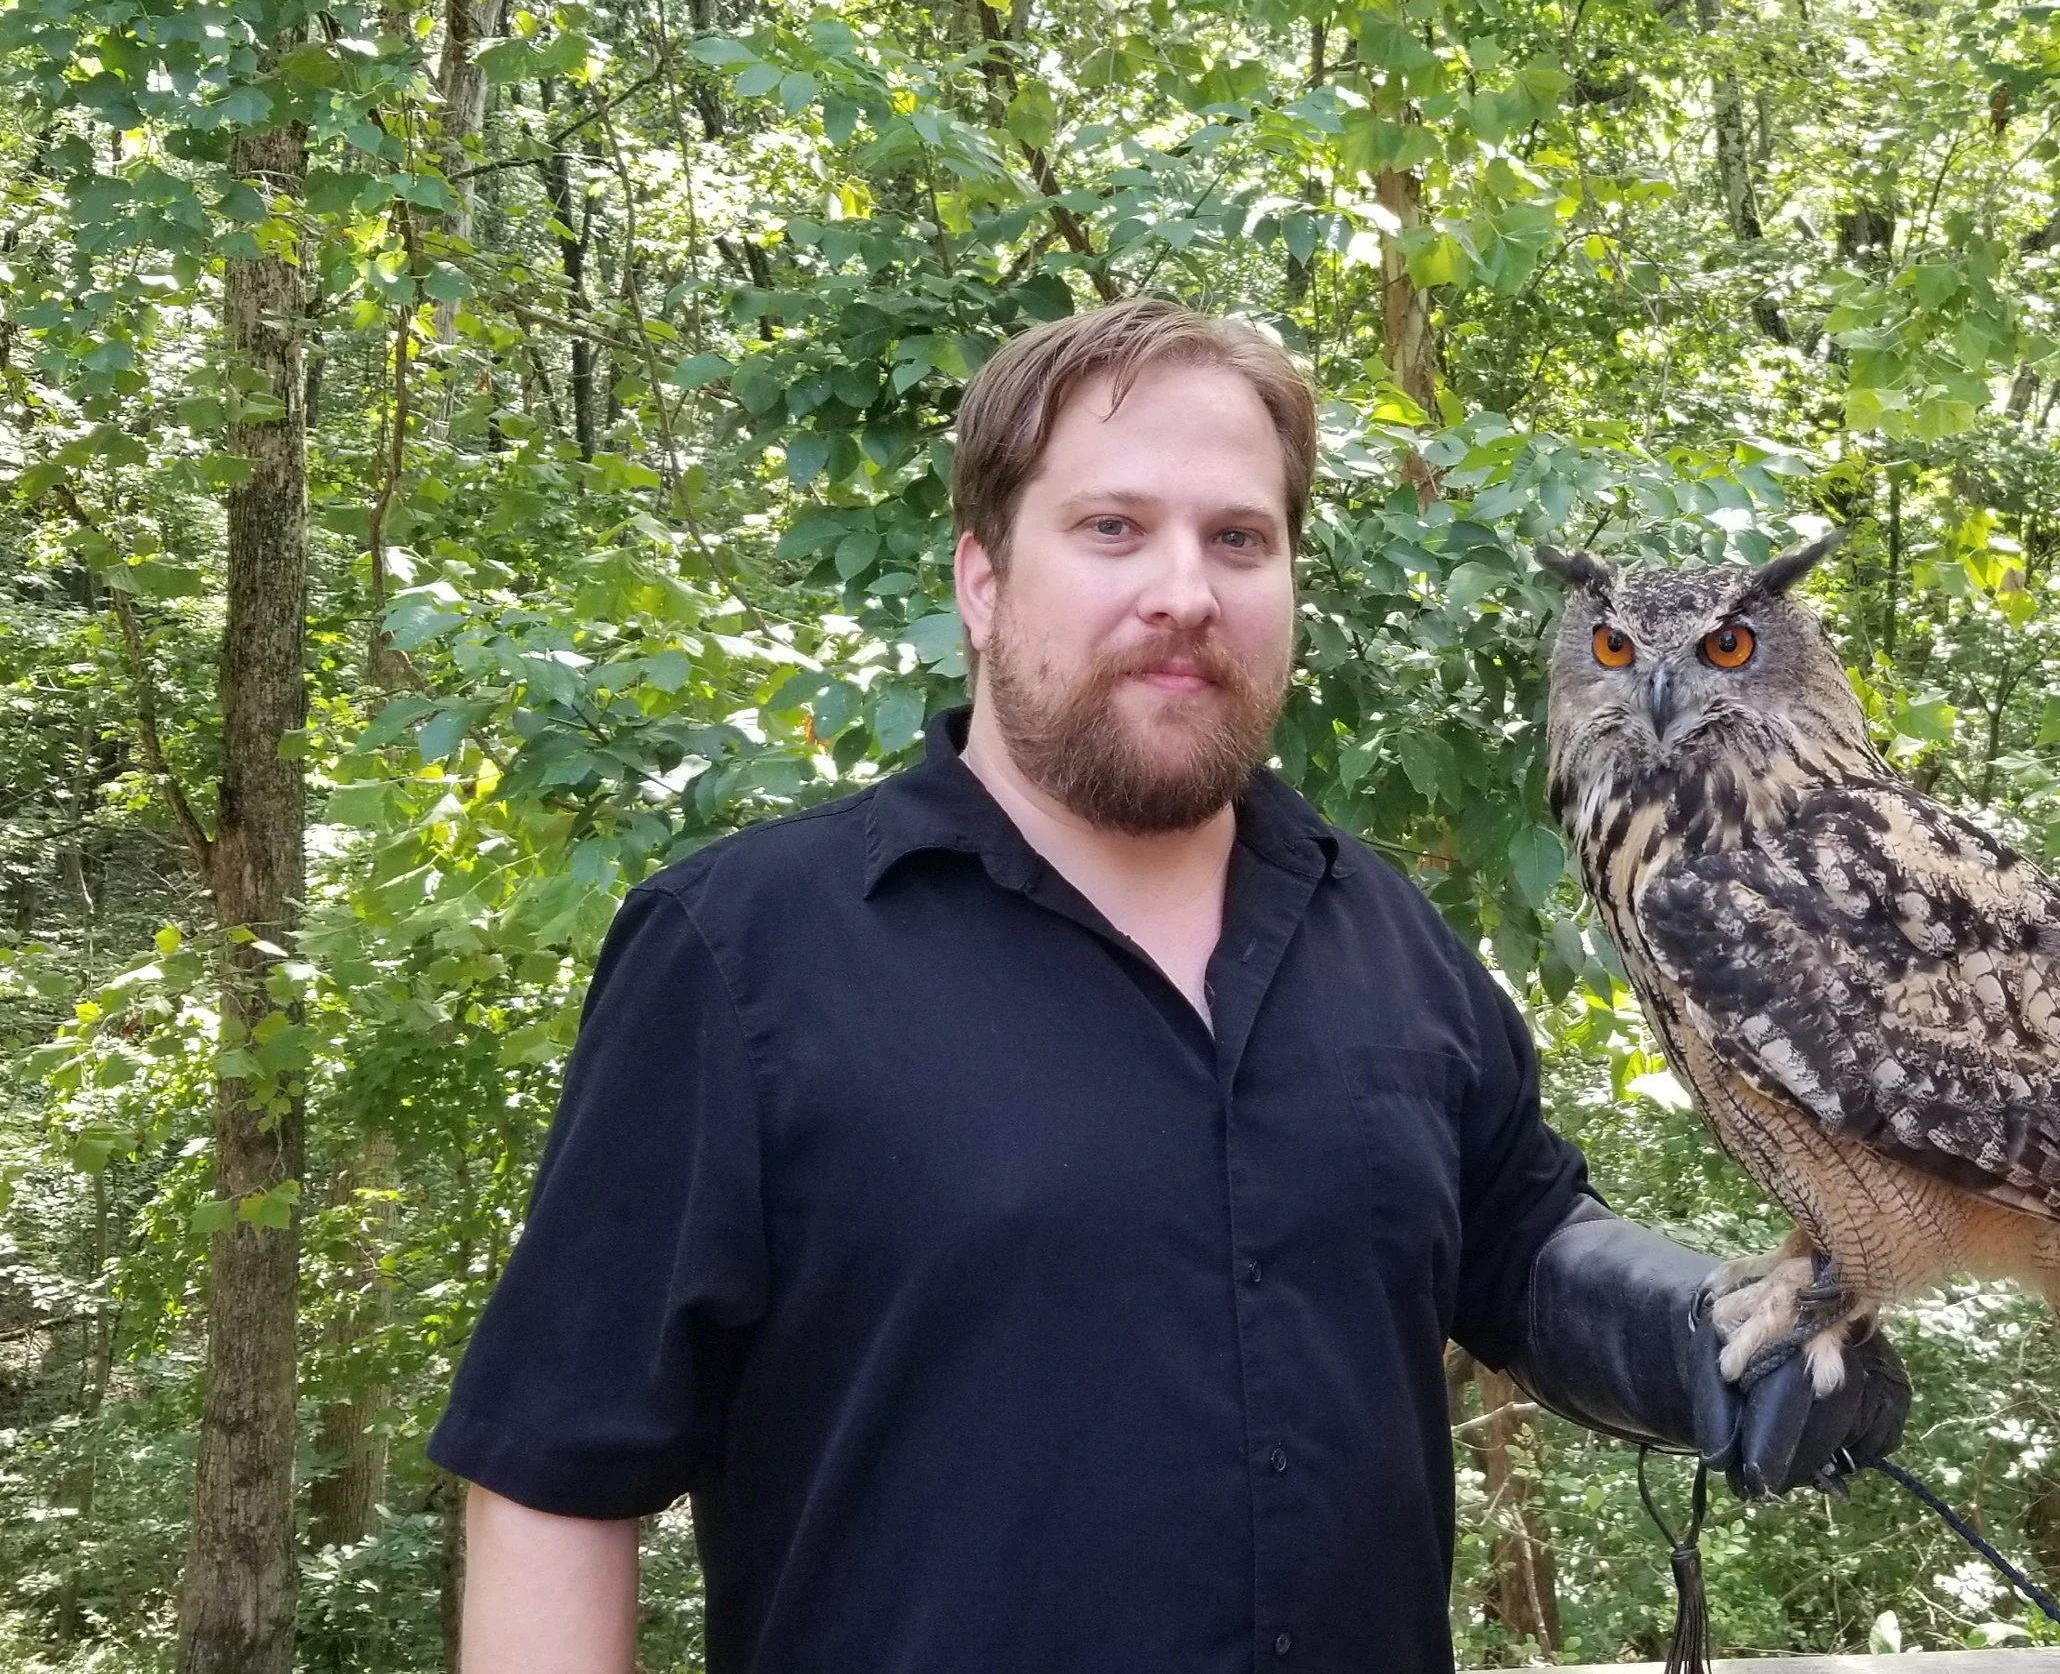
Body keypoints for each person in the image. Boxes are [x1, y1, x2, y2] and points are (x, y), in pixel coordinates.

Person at [427, 298, 1910, 1674]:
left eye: (1240, 540)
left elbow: (1515, 1242)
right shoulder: (744, 953)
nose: (1184, 592)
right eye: (1113, 527)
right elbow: (557, 1477)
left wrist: (1696, 1340)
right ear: (983, 583)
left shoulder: (1381, 929)